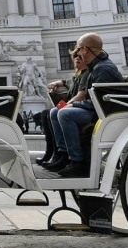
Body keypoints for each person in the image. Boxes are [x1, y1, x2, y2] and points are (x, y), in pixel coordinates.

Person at [45, 33, 122, 178]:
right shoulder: (96, 67)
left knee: (64, 113)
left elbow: (99, 101)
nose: (77, 54)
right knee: (55, 111)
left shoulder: (102, 69)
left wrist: (73, 105)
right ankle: (63, 155)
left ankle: (77, 162)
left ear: (86, 50)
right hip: (97, 110)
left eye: (79, 49)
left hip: (103, 114)